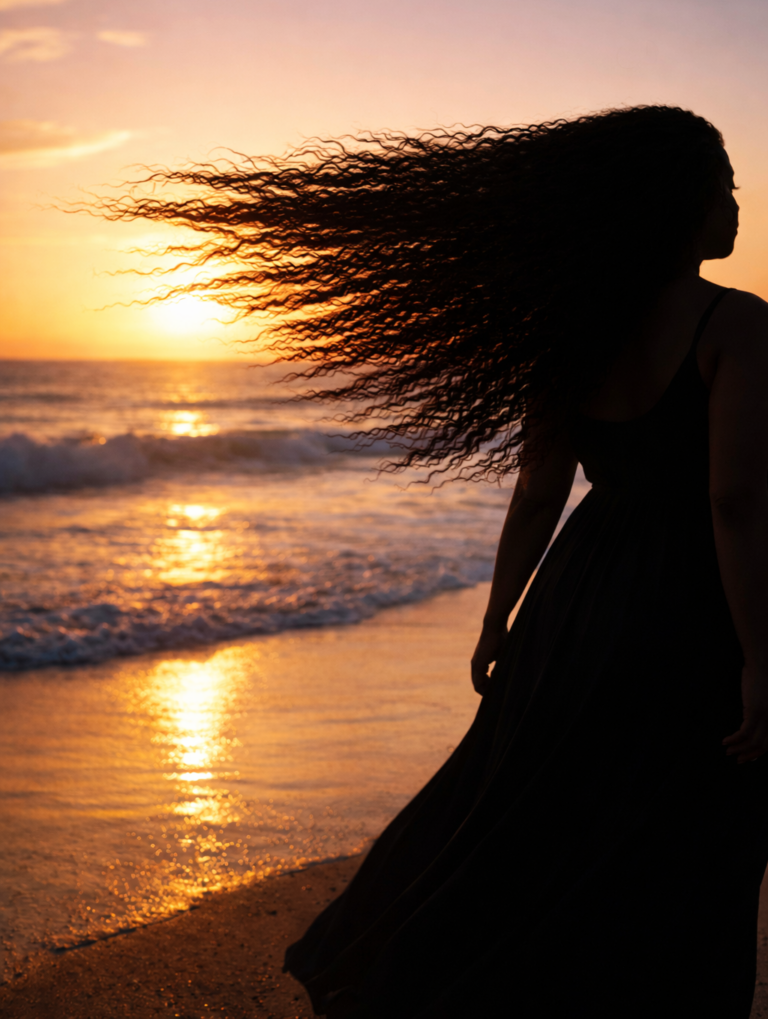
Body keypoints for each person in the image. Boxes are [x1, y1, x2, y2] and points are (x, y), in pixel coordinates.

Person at [100, 106, 768, 1016]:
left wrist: (500, 619)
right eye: (725, 188)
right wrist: (762, 659)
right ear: (681, 206)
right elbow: (735, 505)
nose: (737, 207)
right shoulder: (738, 326)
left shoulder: (575, 328)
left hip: (578, 599)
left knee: (544, 822)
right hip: (693, 607)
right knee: (695, 833)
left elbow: (539, 492)